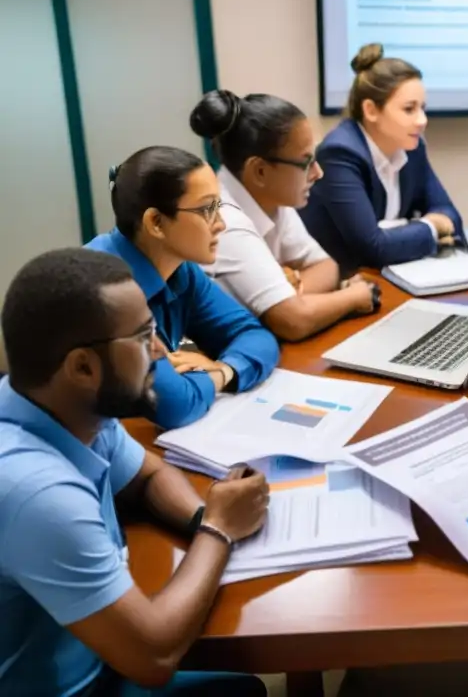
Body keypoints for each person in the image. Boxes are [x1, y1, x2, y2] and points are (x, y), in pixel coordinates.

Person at [0, 248, 269, 696]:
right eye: (145, 337)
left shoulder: (66, 405)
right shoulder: (35, 491)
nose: (162, 350)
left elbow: (148, 476)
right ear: (82, 366)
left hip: (100, 657)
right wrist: (219, 530)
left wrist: (204, 516)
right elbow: (154, 656)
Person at [86, 146, 280, 429]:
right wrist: (211, 375)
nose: (221, 225)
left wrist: (226, 370)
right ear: (156, 223)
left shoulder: (181, 270)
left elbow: (256, 336)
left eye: (219, 206)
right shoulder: (104, 290)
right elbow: (175, 404)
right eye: (207, 210)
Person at [190, 89, 380, 341]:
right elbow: (294, 322)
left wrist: (291, 291)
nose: (318, 173)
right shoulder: (225, 221)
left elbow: (326, 267)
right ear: (259, 171)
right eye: (306, 163)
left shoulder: (273, 199)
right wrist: (355, 296)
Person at [298, 43, 464, 271]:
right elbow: (373, 247)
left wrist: (406, 230)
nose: (422, 120)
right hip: (344, 282)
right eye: (409, 109)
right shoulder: (339, 154)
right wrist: (431, 226)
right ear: (371, 110)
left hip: (394, 274)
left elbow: (450, 214)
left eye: (422, 108)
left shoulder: (412, 147)